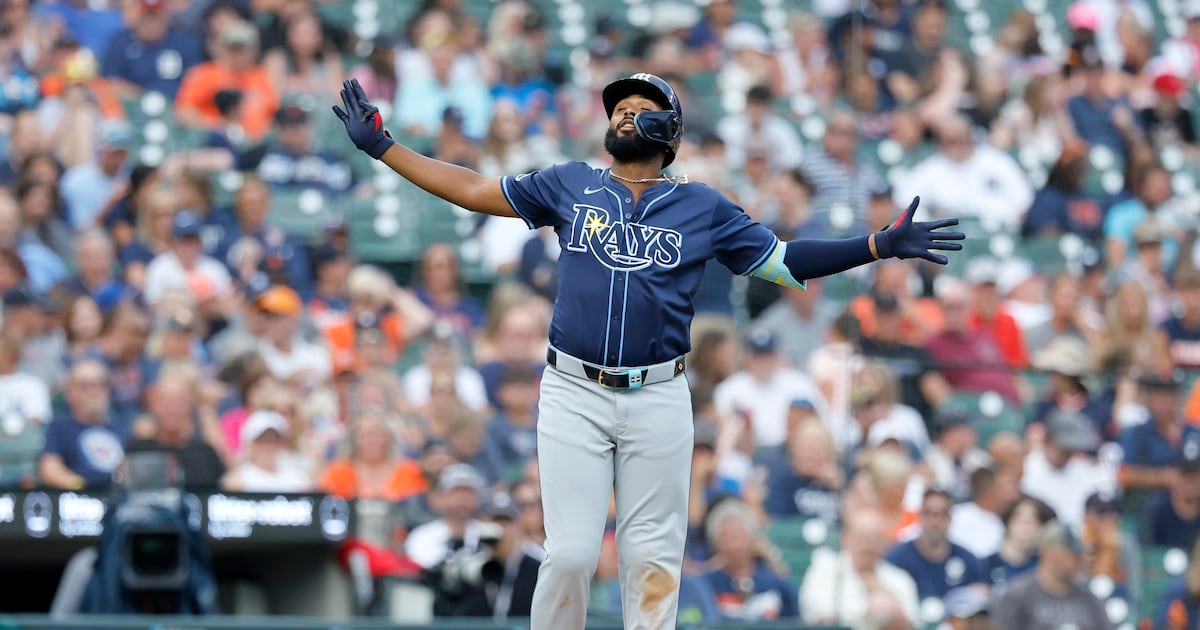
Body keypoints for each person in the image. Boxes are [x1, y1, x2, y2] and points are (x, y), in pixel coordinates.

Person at [333, 73, 963, 630]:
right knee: (573, 553)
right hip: (573, 388)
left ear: (672, 129)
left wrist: (874, 246)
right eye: (618, 106)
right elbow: (474, 189)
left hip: (660, 392)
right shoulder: (570, 183)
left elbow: (783, 260)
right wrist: (385, 148)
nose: (624, 114)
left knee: (653, 561)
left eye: (641, 106)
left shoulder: (703, 206)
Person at [799, 509, 920, 628]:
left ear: (884, 543)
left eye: (873, 540)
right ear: (846, 539)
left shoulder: (899, 578)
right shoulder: (826, 568)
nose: (867, 546)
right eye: (861, 539)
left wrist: (881, 592)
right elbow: (820, 613)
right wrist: (871, 614)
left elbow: (911, 621)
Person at [992, 520, 1113, 630]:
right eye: (1072, 556)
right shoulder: (1017, 596)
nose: (1079, 562)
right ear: (1047, 554)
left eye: (1080, 556)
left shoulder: (1089, 598)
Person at [700, 499, 800, 621]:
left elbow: (795, 619)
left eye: (739, 537)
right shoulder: (707, 583)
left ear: (753, 539)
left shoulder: (774, 582)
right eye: (726, 539)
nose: (733, 546)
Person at [37, 358, 128, 490]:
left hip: (119, 500)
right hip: (77, 501)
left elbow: (131, 470)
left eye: (99, 384)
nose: (93, 392)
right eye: (84, 385)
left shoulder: (122, 429)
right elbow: (50, 470)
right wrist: (83, 488)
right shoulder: (59, 428)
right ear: (69, 393)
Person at [885, 488, 990, 600]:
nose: (934, 522)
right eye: (928, 513)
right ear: (919, 516)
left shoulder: (969, 562)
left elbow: (984, 593)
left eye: (941, 514)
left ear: (950, 518)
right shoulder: (897, 560)